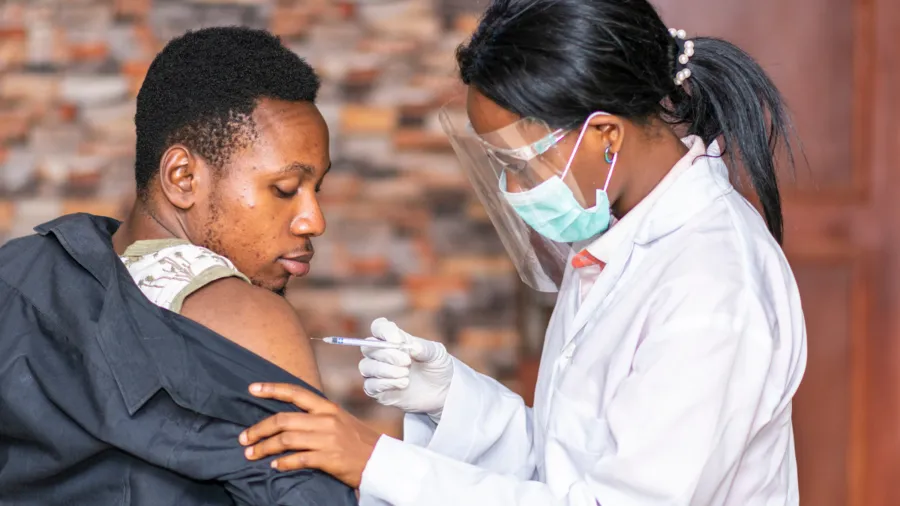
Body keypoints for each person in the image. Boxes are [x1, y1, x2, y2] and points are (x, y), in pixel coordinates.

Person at [235, 0, 809, 505]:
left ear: (605, 136)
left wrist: (379, 463)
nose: (512, 189)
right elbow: (567, 460)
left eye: (519, 163)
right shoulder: (619, 240)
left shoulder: (712, 284)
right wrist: (453, 398)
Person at [0, 27, 359, 505]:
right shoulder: (249, 318)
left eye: (319, 190)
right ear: (182, 177)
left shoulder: (18, 272)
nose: (314, 220)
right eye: (286, 189)